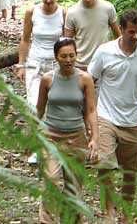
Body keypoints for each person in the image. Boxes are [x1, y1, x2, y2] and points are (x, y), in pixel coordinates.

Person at [88, 10, 137, 224]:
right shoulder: (105, 52)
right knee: (105, 166)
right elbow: (89, 81)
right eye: (131, 32)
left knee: (131, 172)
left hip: (134, 121)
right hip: (106, 117)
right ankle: (109, 213)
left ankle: (125, 214)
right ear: (120, 29)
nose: (135, 36)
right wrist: (89, 116)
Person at [36, 38, 99, 224]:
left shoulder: (85, 79)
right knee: (51, 180)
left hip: (76, 137)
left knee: (73, 186)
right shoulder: (48, 79)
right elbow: (39, 108)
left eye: (72, 55)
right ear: (56, 57)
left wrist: (94, 137)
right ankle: (45, 220)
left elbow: (91, 110)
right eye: (64, 56)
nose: (68, 60)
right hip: (51, 136)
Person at [17, 0, 66, 164]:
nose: (47, 0)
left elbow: (66, 40)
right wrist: (21, 64)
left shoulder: (63, 13)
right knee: (34, 106)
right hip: (35, 63)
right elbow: (25, 39)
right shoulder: (32, 12)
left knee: (56, 105)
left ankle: (57, 148)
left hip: (55, 64)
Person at [63, 0, 120, 71]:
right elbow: (68, 42)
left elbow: (117, 36)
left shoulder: (108, 8)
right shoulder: (72, 12)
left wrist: (116, 57)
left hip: (103, 63)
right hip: (80, 65)